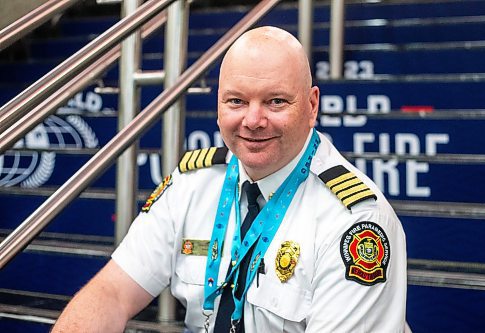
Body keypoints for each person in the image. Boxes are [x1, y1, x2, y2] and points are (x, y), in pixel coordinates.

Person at [52, 26, 407, 333]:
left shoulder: (356, 222)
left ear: (312, 106)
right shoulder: (193, 183)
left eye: (276, 101)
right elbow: (112, 293)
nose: (253, 120)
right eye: (236, 101)